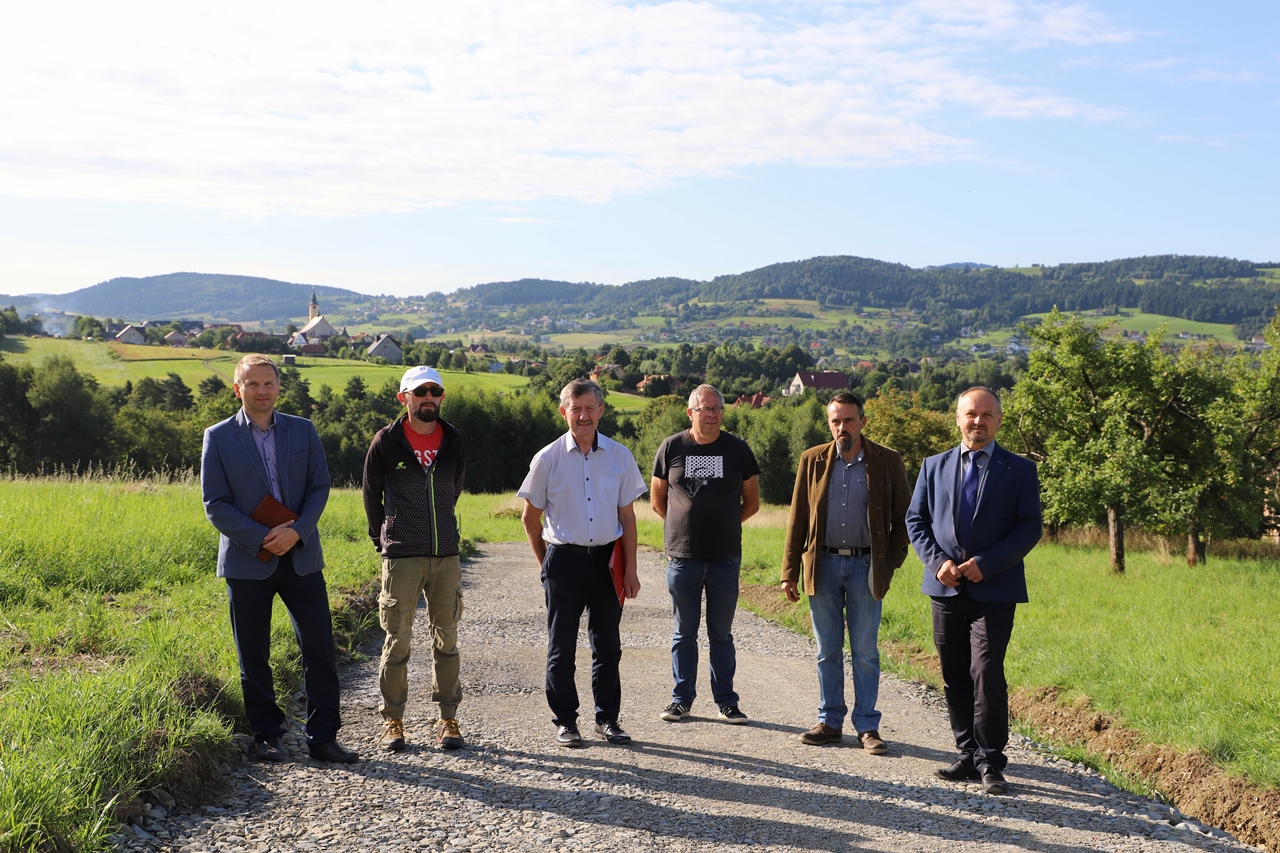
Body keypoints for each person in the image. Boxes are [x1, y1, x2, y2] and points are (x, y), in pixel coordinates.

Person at [200, 353, 357, 763]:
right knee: (253, 653)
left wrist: (296, 532)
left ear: (278, 387)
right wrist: (263, 538)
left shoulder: (303, 430)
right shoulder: (218, 436)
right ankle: (267, 735)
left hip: (301, 556)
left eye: (268, 383)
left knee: (320, 648)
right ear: (237, 389)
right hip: (247, 559)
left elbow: (319, 487)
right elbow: (215, 504)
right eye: (252, 384)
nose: (262, 391)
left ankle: (323, 738)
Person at [906, 386, 1042, 795]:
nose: (977, 421)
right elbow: (916, 521)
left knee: (986, 672)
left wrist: (988, 563)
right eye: (970, 414)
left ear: (998, 420)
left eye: (986, 415)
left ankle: (991, 760)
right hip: (945, 588)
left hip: (995, 589)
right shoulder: (933, 466)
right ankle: (966, 753)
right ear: (958, 418)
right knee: (953, 674)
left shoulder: (1019, 470)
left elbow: (1028, 527)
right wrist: (937, 563)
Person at [518, 378, 646, 747]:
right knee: (561, 649)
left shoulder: (620, 456)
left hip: (607, 563)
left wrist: (631, 569)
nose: (584, 415)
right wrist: (546, 566)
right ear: (564, 412)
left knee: (608, 647)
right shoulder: (547, 459)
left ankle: (607, 720)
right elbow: (530, 519)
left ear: (601, 410)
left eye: (591, 408)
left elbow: (628, 517)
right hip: (563, 562)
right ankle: (565, 721)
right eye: (577, 409)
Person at [781, 391, 910, 753]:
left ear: (862, 422)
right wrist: (789, 570)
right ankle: (829, 722)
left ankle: (867, 726)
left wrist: (889, 562)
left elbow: (904, 519)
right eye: (835, 421)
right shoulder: (813, 460)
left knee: (865, 650)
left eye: (849, 420)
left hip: (866, 566)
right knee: (827, 649)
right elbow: (798, 518)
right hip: (822, 565)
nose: (842, 428)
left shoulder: (887, 460)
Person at [363, 365, 467, 753]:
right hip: (402, 557)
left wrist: (440, 527)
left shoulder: (453, 439)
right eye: (420, 391)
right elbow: (371, 494)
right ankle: (393, 721)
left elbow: (454, 488)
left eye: (434, 391)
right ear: (403, 397)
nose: (428, 398)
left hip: (446, 555)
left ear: (441, 396)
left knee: (447, 641)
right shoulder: (386, 441)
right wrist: (383, 538)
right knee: (397, 642)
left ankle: (448, 719)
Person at [651, 384, 760, 724]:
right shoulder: (672, 447)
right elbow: (657, 500)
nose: (711, 414)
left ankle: (727, 702)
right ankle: (681, 700)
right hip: (682, 559)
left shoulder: (738, 449)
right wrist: (684, 527)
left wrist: (724, 524)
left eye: (716, 409)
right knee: (684, 633)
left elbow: (752, 502)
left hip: (725, 558)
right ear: (691, 413)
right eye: (705, 408)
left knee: (721, 635)